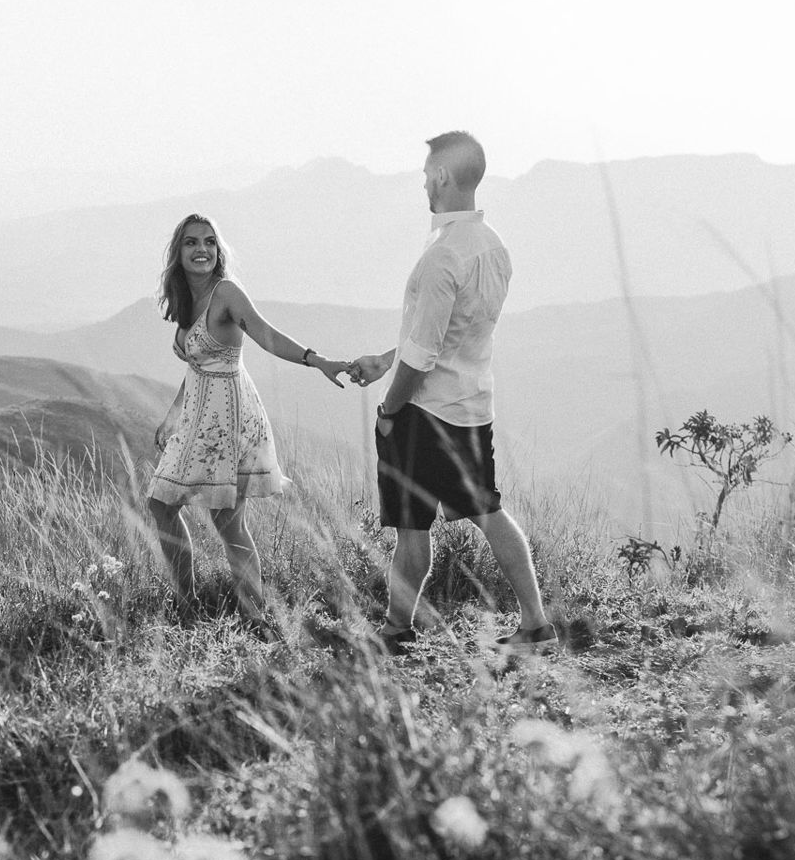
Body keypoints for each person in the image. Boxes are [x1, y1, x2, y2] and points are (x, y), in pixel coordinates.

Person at [348, 132, 555, 657]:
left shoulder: (442, 255)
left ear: (441, 175)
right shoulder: (494, 247)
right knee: (489, 511)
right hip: (472, 407)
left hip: (423, 413)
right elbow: (448, 334)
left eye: (426, 173)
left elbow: (423, 354)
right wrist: (385, 360)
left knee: (412, 527)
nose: (423, 182)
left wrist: (389, 409)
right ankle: (535, 622)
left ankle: (396, 630)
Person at [146, 212, 351, 623]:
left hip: (231, 419)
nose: (202, 249)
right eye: (191, 242)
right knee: (161, 504)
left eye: (209, 241)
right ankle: (188, 603)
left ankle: (255, 616)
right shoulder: (187, 299)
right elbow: (198, 364)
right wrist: (172, 416)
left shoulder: (226, 293)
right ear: (178, 252)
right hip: (198, 419)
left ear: (218, 250)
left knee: (226, 520)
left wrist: (317, 360)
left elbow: (267, 335)